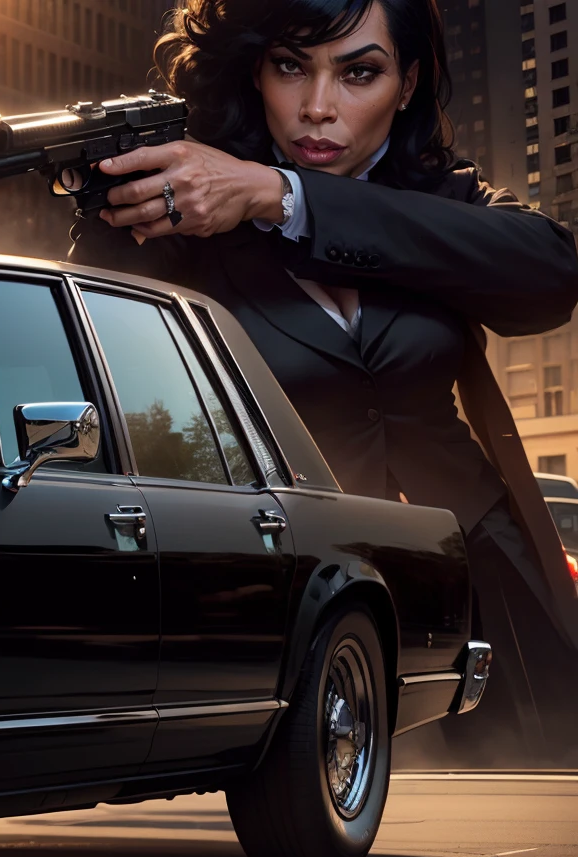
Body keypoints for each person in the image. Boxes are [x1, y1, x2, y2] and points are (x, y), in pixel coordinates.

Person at [67, 0, 578, 764]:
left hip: (483, 578)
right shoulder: (183, 211)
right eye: (290, 66)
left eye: (358, 73)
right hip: (296, 592)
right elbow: (99, 388)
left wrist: (285, 197)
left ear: (406, 85)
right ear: (255, 72)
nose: (317, 107)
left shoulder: (441, 203)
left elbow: (552, 276)